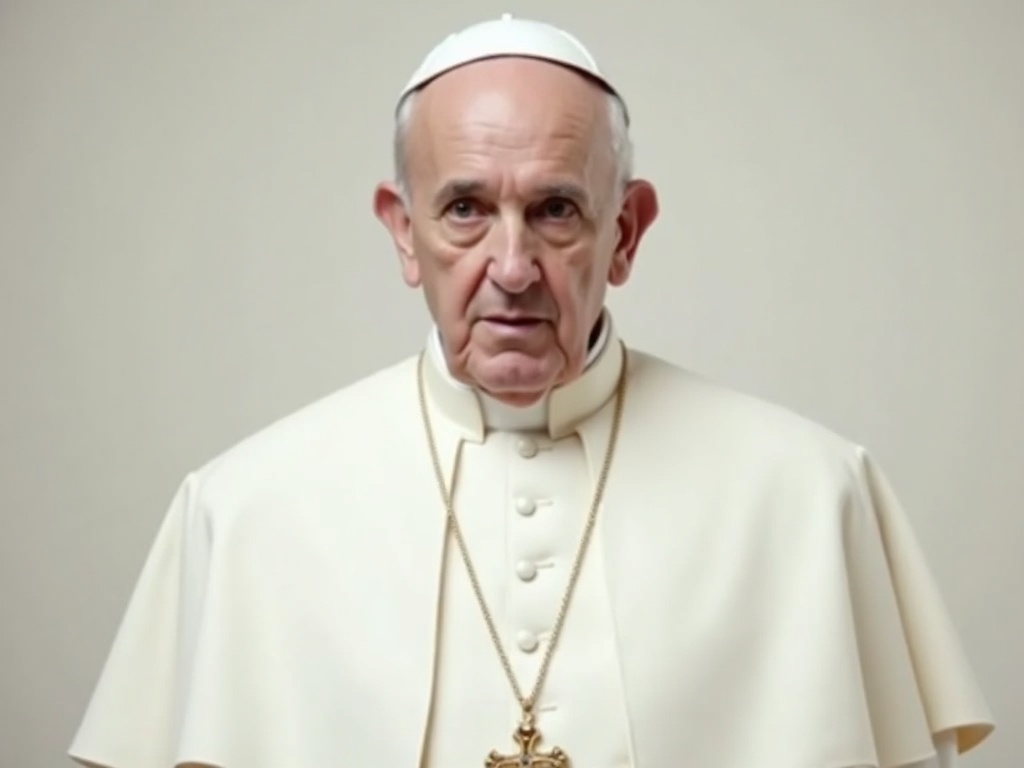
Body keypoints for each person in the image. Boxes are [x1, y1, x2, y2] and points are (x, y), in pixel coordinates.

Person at [68, 13, 994, 768]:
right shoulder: (242, 512)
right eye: (465, 209)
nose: (511, 269)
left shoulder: (811, 494)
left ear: (625, 233)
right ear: (403, 231)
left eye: (555, 210)